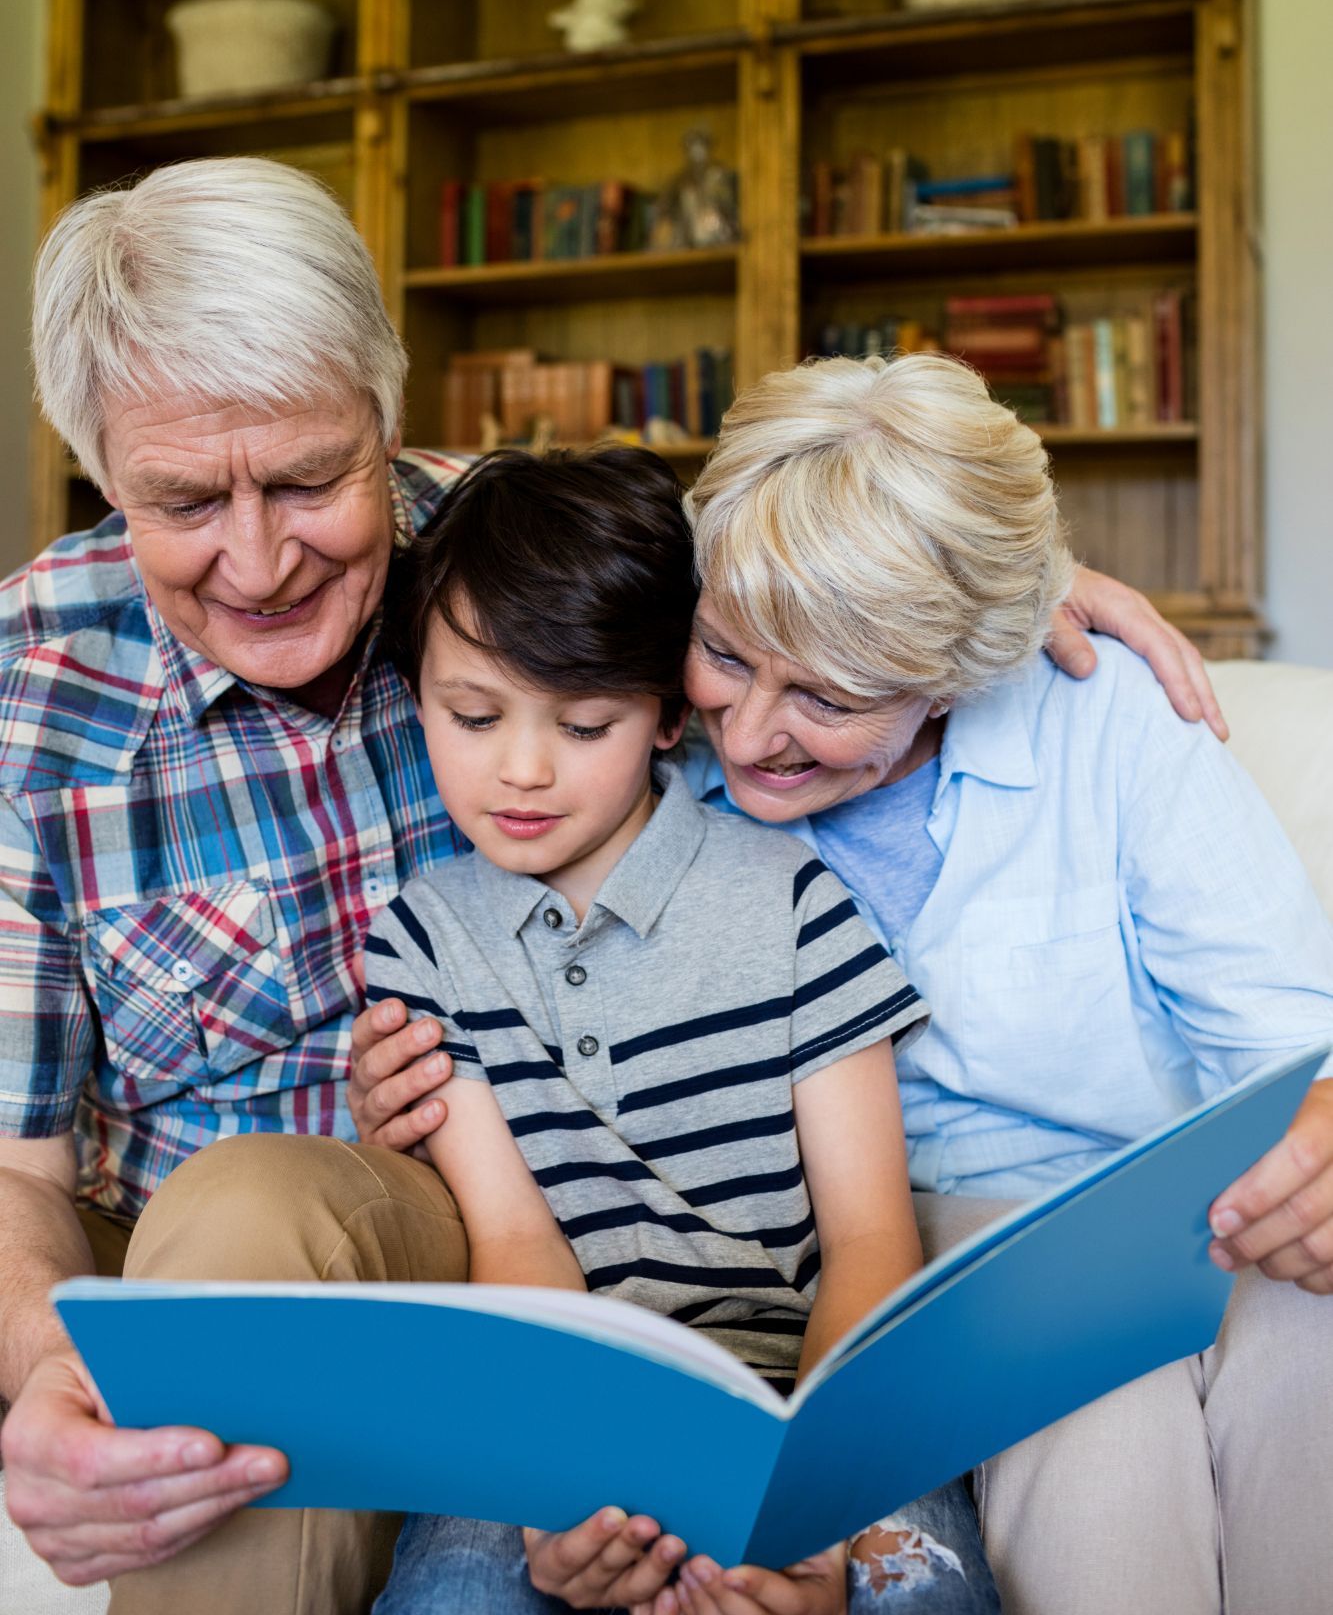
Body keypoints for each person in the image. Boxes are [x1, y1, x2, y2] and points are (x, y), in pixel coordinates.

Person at [0, 156, 1223, 1615]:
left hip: (522, 1230)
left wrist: (1013, 598)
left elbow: (829, 565)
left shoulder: (507, 553)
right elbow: (13, 1177)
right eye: (184, 500)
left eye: (313, 481)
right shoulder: (29, 690)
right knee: (245, 1217)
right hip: (233, 1249)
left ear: (387, 423)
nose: (258, 558)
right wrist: (46, 1377)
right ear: (96, 469)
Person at [359, 352, 1333, 1615]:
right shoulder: (640, 758)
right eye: (725, 655)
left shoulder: (1103, 719)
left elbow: (1288, 1048)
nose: (754, 731)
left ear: (958, 669)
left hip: (1163, 1204)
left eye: (828, 692)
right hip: (942, 1259)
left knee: (1307, 1338)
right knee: (1108, 1431)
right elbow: (507, 585)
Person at [361, 443, 995, 1615]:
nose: (522, 768)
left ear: (664, 712)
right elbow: (515, 1242)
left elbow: (868, 1241)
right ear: (418, 697)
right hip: (563, 1402)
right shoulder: (423, 938)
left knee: (916, 1594)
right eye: (472, 713)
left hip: (815, 1394)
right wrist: (576, 1491)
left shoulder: (794, 903)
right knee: (459, 1594)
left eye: (584, 723)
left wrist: (800, 1507)